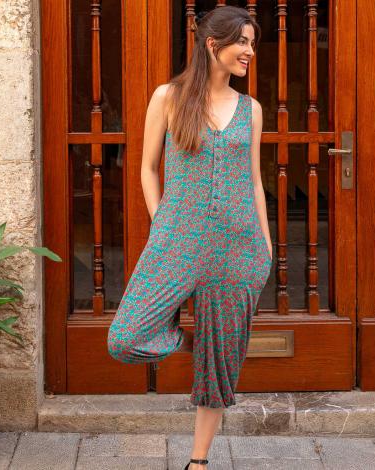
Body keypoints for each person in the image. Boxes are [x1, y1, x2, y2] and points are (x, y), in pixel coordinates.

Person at [107, 6, 271, 469]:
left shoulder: (251, 109)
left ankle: (198, 462)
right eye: (242, 42)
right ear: (213, 44)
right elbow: (146, 169)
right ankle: (191, 341)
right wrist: (163, 224)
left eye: (252, 44)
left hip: (238, 248)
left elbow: (254, 180)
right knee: (125, 337)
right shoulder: (169, 97)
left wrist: (266, 245)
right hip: (177, 242)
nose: (250, 52)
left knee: (220, 368)